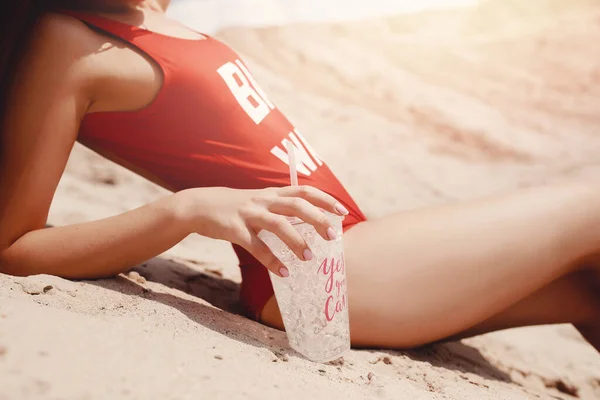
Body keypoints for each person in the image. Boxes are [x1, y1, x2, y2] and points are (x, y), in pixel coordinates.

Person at [0, 0, 598, 353]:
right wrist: (183, 211)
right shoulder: (68, 39)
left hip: (361, 253)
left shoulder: (150, 14)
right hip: (307, 274)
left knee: (589, 289)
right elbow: (13, 247)